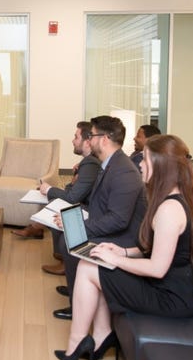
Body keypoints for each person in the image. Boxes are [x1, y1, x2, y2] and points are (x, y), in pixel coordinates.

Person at [54, 134, 193, 360]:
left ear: (161, 165)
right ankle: (100, 336)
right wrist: (122, 252)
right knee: (93, 263)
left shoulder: (169, 210)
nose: (140, 164)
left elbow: (157, 268)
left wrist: (115, 260)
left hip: (169, 298)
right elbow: (152, 248)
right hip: (162, 287)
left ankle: (78, 342)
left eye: (145, 159)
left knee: (89, 267)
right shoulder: (169, 199)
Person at [52, 115, 146, 320]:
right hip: (110, 224)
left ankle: (78, 304)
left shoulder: (124, 171)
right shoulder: (111, 164)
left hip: (124, 238)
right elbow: (99, 203)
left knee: (70, 240)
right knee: (67, 234)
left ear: (104, 139)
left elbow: (118, 220)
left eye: (92, 136)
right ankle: (78, 289)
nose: (89, 140)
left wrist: (81, 226)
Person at [13, 121, 100, 241]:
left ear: (87, 142)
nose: (73, 141)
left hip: (89, 210)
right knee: (53, 198)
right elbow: (71, 189)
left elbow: (72, 197)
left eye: (76, 137)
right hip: (81, 201)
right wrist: (74, 178)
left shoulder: (91, 164)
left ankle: (36, 228)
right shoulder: (87, 162)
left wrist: (49, 189)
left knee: (54, 199)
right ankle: (36, 228)